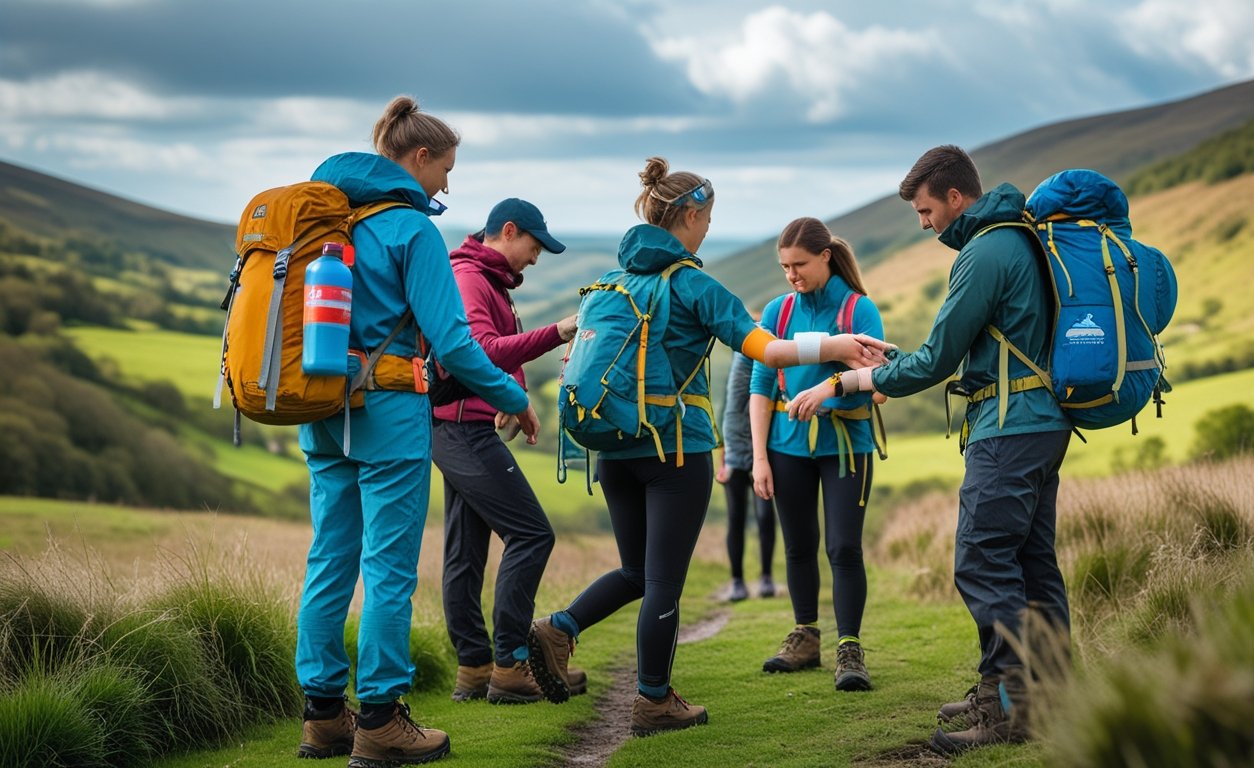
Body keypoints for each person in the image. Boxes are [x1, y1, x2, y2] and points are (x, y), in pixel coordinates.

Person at [526, 157, 889, 737]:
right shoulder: (693, 283)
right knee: (663, 581)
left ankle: (560, 626)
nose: (708, 229)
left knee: (636, 571)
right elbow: (768, 353)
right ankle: (653, 700)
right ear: (690, 214)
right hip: (674, 452)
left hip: (612, 449)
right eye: (708, 218)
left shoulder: (610, 284)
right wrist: (840, 344)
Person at [788, 145, 1072, 753]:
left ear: (954, 197)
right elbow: (963, 348)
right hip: (1041, 421)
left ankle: (1011, 711)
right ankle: (1037, 693)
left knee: (982, 561)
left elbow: (939, 359)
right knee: (1031, 565)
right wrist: (891, 359)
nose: (924, 224)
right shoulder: (1017, 238)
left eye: (925, 211)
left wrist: (851, 378)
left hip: (1009, 427)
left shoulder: (986, 250)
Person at [294, 96, 537, 766]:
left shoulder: (327, 222)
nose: (448, 186)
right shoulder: (409, 229)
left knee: (329, 560)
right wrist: (513, 397)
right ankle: (380, 719)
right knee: (389, 569)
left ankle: (322, 717)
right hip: (392, 418)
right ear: (418, 157)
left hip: (321, 411)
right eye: (447, 170)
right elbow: (457, 347)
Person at [431, 198, 589, 705]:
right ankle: (511, 664)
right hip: (461, 430)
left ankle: (475, 668)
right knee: (532, 534)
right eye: (535, 246)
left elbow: (495, 349)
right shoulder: (471, 279)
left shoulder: (487, 279)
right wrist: (560, 331)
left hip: (457, 427)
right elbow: (480, 351)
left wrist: (512, 399)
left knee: (466, 550)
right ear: (508, 230)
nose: (537, 258)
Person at [749, 217, 884, 692]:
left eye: (799, 264)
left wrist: (829, 389)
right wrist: (759, 459)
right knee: (798, 546)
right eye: (785, 266)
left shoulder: (858, 310)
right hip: (786, 447)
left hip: (847, 445)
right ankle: (805, 636)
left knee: (843, 547)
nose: (792, 274)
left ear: (825, 256)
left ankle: (850, 649)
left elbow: (880, 387)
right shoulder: (778, 311)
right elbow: (761, 387)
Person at [717, 350, 777, 602]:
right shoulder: (739, 366)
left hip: (763, 451)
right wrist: (726, 456)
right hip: (735, 452)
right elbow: (727, 415)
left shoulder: (772, 365)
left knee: (765, 516)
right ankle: (737, 581)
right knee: (736, 518)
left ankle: (766, 576)